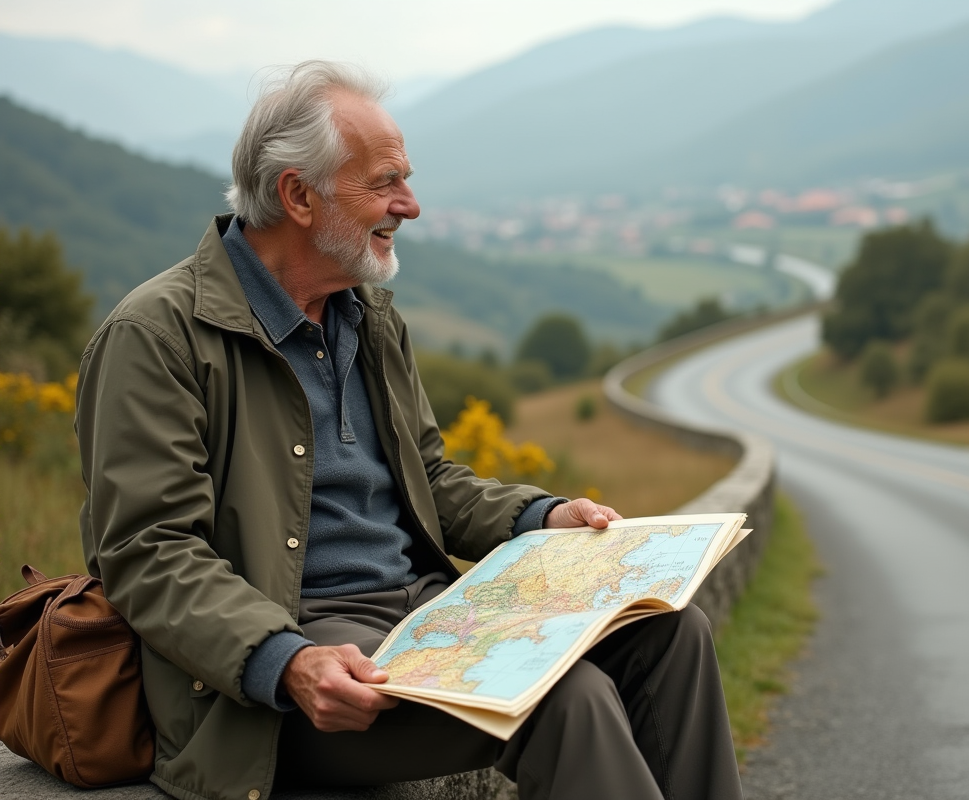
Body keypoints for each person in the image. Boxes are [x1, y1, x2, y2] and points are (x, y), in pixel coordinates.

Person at [75, 60, 741, 800]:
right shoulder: (155, 336)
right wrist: (284, 658)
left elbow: (429, 479)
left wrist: (542, 516)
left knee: (672, 635)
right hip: (292, 679)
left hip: (423, 619)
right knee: (566, 699)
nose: (411, 205)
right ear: (299, 195)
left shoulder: (369, 317)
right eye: (385, 182)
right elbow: (148, 552)